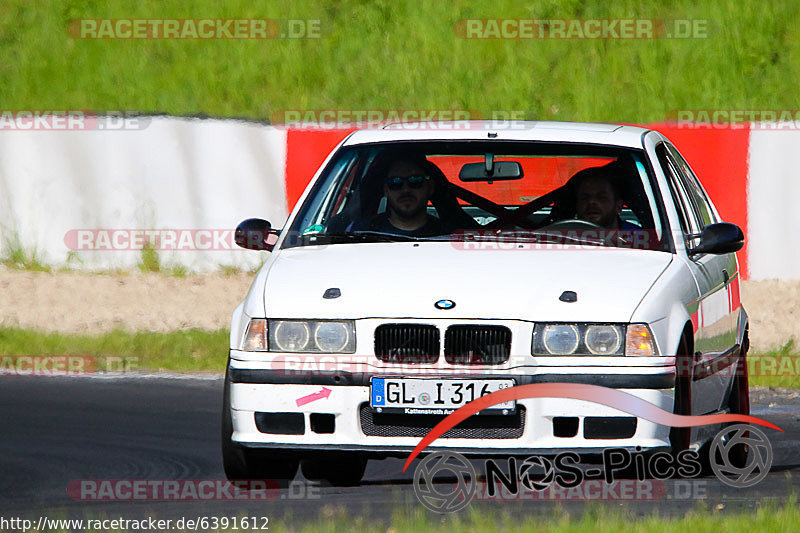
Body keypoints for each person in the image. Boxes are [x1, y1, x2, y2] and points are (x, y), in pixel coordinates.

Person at [354, 156, 447, 237]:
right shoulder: (361, 233)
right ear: (385, 190)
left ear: (430, 187)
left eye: (415, 181)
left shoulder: (449, 236)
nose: (405, 189)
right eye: (395, 182)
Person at [572, 167, 639, 230]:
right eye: (585, 198)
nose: (591, 201)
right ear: (577, 205)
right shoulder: (563, 235)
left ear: (618, 206)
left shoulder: (639, 237)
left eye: (601, 197)